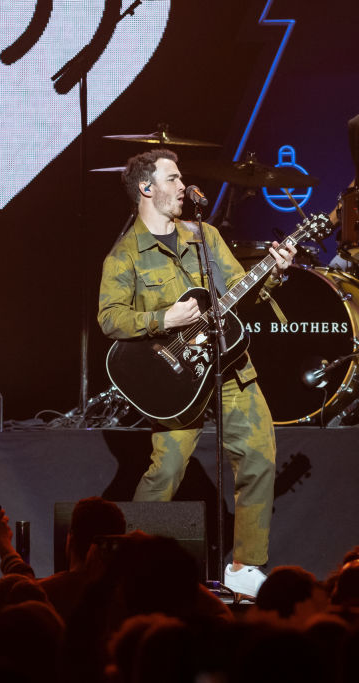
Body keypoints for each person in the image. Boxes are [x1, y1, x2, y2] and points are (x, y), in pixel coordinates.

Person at [97, 148, 296, 598]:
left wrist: (274, 273)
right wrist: (163, 319)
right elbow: (110, 318)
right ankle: (131, 565)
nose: (182, 185)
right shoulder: (125, 255)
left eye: (181, 177)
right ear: (147, 188)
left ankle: (245, 567)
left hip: (230, 368)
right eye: (172, 178)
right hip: (178, 381)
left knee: (259, 457)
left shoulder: (204, 236)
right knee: (166, 469)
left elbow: (242, 293)